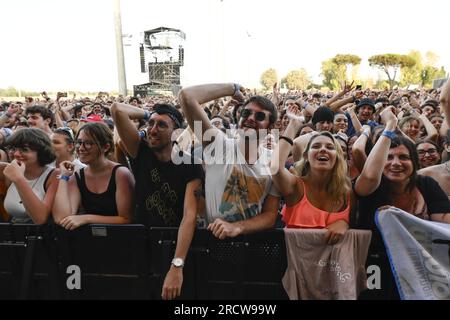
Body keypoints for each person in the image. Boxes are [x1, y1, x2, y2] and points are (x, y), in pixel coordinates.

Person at [111, 101, 203, 301]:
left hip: (176, 246)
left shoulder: (190, 164)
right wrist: (146, 114)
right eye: (150, 123)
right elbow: (117, 110)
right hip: (141, 244)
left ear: (176, 133)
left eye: (162, 125)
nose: (152, 129)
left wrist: (177, 265)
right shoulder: (140, 151)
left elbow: (189, 216)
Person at [354, 107, 450, 298]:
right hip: (376, 266)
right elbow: (371, 173)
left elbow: (443, 222)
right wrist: (390, 126)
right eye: (388, 157)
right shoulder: (371, 186)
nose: (396, 163)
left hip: (421, 267)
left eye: (404, 157)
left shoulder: (426, 185)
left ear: (414, 163)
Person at [179, 83, 281, 239]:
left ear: (270, 127)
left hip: (253, 245)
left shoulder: (272, 160)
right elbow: (187, 96)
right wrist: (232, 88)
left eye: (260, 116)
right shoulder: (218, 145)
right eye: (246, 113)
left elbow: (270, 215)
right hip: (213, 242)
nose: (251, 118)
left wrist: (237, 227)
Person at [270, 106, 354, 244]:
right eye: (315, 146)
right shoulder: (296, 186)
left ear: (338, 157)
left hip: (334, 264)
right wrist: (293, 125)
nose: (322, 149)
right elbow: (275, 168)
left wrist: (345, 224)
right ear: (306, 156)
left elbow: (356, 224)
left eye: (330, 147)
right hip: (295, 262)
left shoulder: (347, 191)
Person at [52, 123, 134, 230]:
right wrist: (64, 177)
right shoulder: (78, 176)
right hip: (91, 240)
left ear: (106, 147)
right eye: (79, 143)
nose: (81, 148)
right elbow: (61, 218)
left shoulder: (121, 174)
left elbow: (126, 219)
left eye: (88, 143)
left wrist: (87, 218)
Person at [0, 128, 58, 224]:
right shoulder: (5, 169)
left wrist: (18, 179)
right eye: (13, 148)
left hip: (41, 235)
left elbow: (40, 218)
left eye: (24, 149)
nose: (16, 154)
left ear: (41, 152)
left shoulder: (54, 175)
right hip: (12, 234)